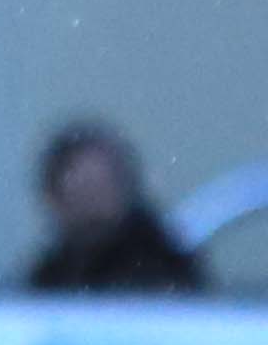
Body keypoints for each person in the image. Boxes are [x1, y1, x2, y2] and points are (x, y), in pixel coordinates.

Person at [28, 119, 207, 293]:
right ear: (53, 197)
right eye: (83, 189)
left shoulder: (157, 270)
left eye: (100, 187)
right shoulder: (51, 274)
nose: (92, 202)